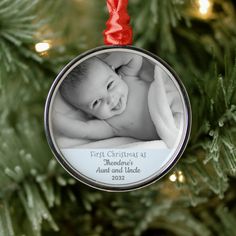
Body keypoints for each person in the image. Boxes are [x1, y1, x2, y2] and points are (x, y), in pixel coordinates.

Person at [52, 52, 179, 148]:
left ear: (116, 73)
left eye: (109, 85)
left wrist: (108, 64)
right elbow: (83, 130)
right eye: (96, 102)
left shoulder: (127, 77)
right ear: (88, 114)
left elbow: (133, 56)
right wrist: (55, 118)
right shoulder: (109, 125)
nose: (110, 99)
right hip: (170, 129)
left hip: (168, 101)